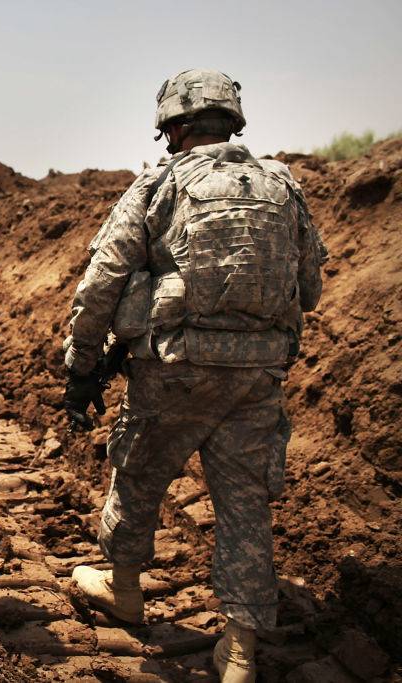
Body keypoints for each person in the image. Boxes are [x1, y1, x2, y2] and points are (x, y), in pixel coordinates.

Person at [62, 69, 326, 682]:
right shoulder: (283, 186)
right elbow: (309, 287)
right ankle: (239, 648)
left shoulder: (160, 183)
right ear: (233, 121)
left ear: (172, 127)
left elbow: (103, 280)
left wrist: (82, 363)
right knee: (245, 503)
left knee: (138, 475)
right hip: (257, 374)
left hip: (174, 368)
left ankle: (124, 588)